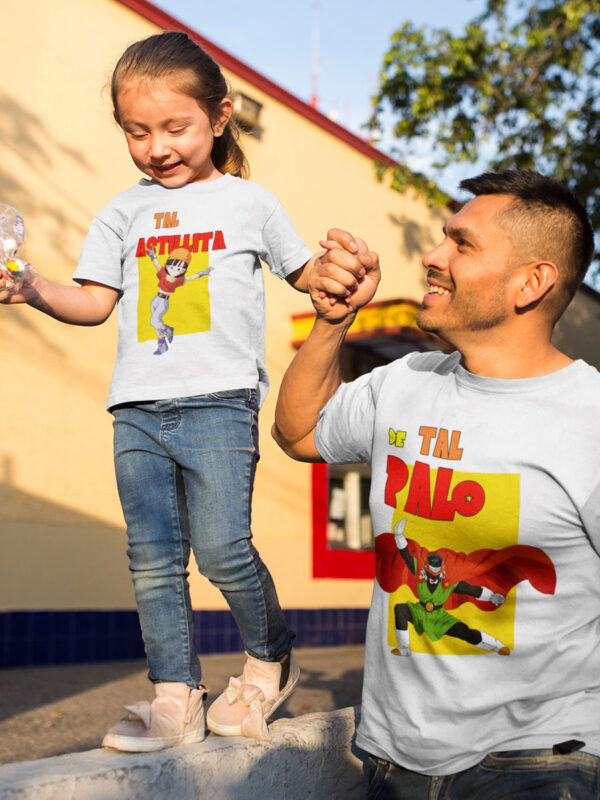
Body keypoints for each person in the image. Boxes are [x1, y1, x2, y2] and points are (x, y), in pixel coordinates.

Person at [0, 30, 350, 752]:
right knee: (153, 558)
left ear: (219, 118)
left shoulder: (251, 204)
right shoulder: (121, 213)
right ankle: (174, 694)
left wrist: (338, 270)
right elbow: (96, 302)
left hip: (220, 404)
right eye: (136, 131)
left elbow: (305, 275)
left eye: (174, 127)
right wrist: (31, 286)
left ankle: (270, 655)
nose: (155, 146)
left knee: (223, 550)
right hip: (136, 410)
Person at [273, 170, 600, 798]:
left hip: (541, 764)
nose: (432, 256)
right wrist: (331, 323)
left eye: (462, 244)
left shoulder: (587, 418)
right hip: (395, 762)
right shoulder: (407, 382)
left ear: (532, 282)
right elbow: (298, 434)